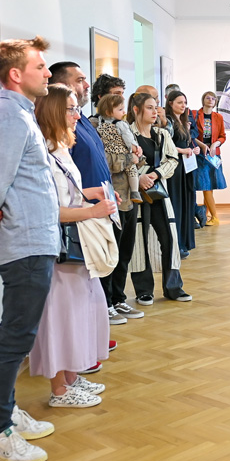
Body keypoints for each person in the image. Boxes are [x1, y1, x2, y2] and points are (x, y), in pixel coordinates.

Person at [0, 36, 60, 461]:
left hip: (33, 240)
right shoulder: (10, 118)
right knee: (15, 337)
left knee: (19, 335)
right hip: (24, 244)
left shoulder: (20, 114)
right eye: (40, 66)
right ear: (15, 74)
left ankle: (4, 412)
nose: (48, 72)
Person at [31, 85, 113, 408]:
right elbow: (52, 210)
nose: (77, 115)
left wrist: (92, 194)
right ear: (54, 111)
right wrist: (93, 211)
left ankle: (70, 377)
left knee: (78, 313)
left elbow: (69, 195)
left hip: (74, 248)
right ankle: (59, 390)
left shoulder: (61, 148)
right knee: (62, 317)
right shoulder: (45, 154)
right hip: (61, 249)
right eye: (70, 109)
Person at [49, 62, 143, 326]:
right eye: (79, 80)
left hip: (102, 202)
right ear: (62, 86)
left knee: (117, 254)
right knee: (92, 268)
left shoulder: (81, 121)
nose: (86, 85)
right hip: (83, 212)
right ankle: (103, 310)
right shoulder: (66, 128)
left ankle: (113, 301)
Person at [127, 92, 191, 303]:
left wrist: (155, 175)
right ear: (136, 110)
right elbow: (121, 163)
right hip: (136, 194)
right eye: (149, 108)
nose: (155, 112)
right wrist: (139, 177)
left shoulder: (162, 134)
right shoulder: (127, 134)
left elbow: (172, 160)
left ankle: (173, 287)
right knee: (139, 241)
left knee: (169, 238)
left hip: (158, 191)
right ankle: (143, 290)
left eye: (156, 107)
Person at [91, 92, 142, 326]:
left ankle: (119, 297)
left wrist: (135, 154)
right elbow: (107, 162)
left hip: (129, 198)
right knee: (112, 251)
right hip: (113, 197)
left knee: (125, 251)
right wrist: (130, 159)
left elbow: (134, 155)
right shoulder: (100, 128)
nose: (124, 109)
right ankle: (107, 302)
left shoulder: (124, 127)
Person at [164, 91, 200, 257]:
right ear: (170, 103)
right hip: (176, 166)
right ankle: (176, 243)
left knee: (187, 202)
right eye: (179, 102)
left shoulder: (184, 121)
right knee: (177, 203)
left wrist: (193, 149)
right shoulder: (168, 121)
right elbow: (167, 145)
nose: (183, 105)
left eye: (184, 102)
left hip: (186, 165)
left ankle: (184, 242)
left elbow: (187, 143)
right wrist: (183, 150)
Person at [191, 91, 227, 226]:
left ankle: (208, 216)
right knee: (206, 185)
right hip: (199, 154)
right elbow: (191, 134)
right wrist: (202, 145)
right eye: (208, 98)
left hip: (213, 154)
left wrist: (215, 144)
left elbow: (222, 136)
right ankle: (214, 216)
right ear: (203, 100)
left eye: (213, 98)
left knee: (209, 186)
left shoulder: (218, 117)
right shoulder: (195, 114)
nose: (210, 100)